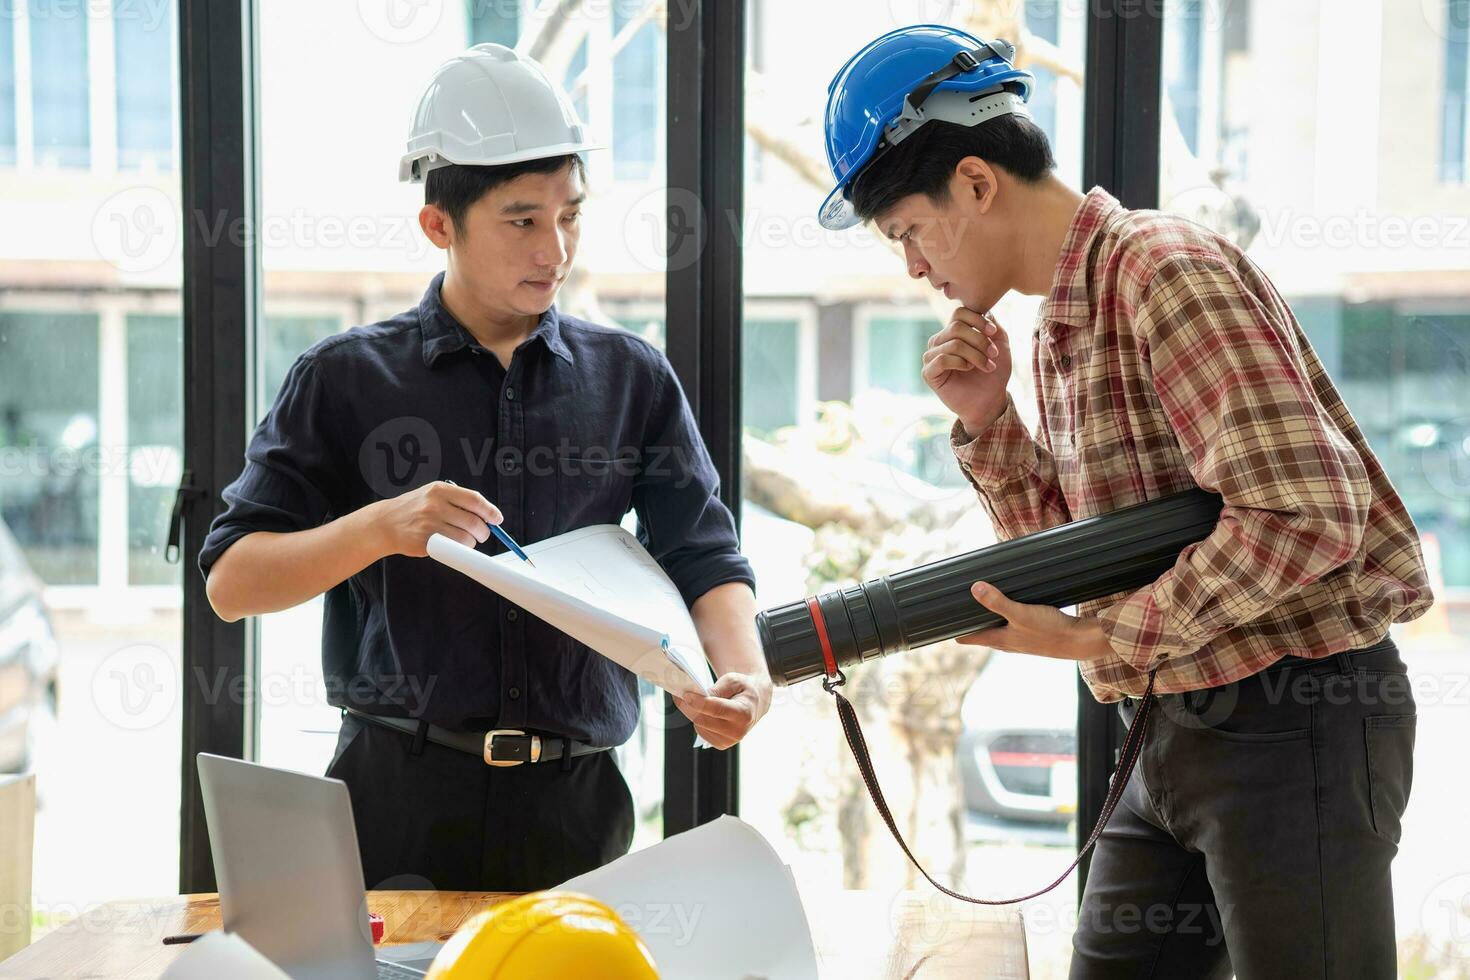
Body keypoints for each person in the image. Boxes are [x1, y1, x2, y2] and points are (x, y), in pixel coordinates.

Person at [818, 25, 1431, 979]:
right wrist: (990, 421)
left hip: (1295, 715)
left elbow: (1306, 511)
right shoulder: (1067, 313)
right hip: (1174, 717)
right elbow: (1083, 560)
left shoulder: (1158, 270)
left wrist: (1104, 641)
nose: (912, 268)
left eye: (907, 232)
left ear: (976, 183)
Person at [201, 44, 770, 892]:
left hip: (578, 804)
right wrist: (383, 527)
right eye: (522, 220)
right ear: (440, 225)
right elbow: (232, 582)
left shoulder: (631, 378)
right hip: (394, 796)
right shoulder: (345, 378)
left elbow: (703, 555)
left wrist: (744, 675)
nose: (556, 249)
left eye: (570, 215)